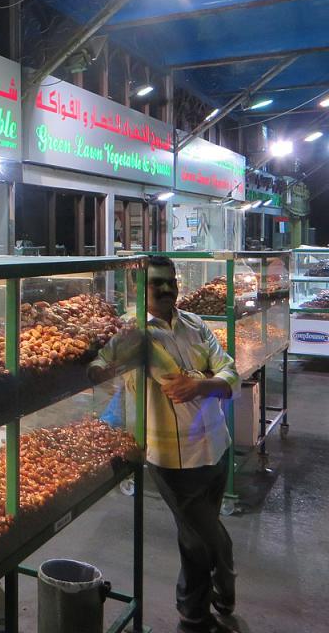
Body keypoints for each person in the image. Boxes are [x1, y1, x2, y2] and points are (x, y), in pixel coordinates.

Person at [93, 256, 239, 633]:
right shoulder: (131, 331)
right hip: (173, 460)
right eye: (156, 282)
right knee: (211, 542)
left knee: (194, 541)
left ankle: (193, 613)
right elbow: (100, 364)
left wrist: (201, 384)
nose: (166, 288)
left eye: (171, 281)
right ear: (137, 288)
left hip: (216, 448)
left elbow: (230, 371)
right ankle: (218, 591)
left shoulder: (195, 324)